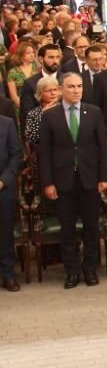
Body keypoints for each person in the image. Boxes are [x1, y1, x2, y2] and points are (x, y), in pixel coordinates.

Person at [39, 73, 107, 289]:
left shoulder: (93, 112)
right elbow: (44, 153)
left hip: (89, 178)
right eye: (71, 87)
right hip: (63, 180)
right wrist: (48, 183)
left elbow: (102, 148)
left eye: (79, 86)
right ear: (62, 89)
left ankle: (90, 270)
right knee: (67, 229)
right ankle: (72, 272)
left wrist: (105, 177)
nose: (76, 90)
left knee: (91, 227)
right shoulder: (50, 116)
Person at [0, 112, 23, 291]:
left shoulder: (7, 123)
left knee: (5, 232)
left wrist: (3, 180)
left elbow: (16, 155)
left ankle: (8, 274)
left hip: (3, 187)